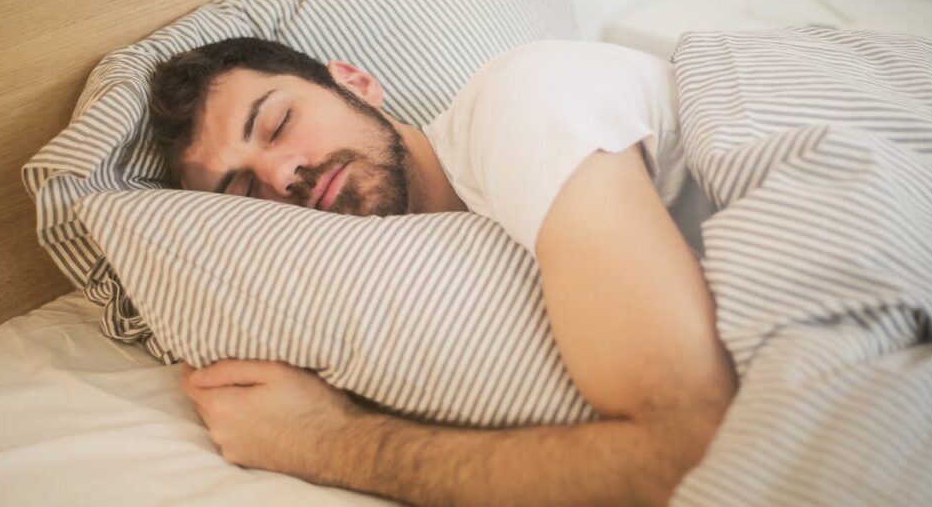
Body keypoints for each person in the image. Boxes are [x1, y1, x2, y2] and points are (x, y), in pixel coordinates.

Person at [150, 36, 738, 506]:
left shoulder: (522, 103)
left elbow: (694, 455)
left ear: (354, 83)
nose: (282, 175)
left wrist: (326, 441)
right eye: (246, 188)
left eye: (278, 124)